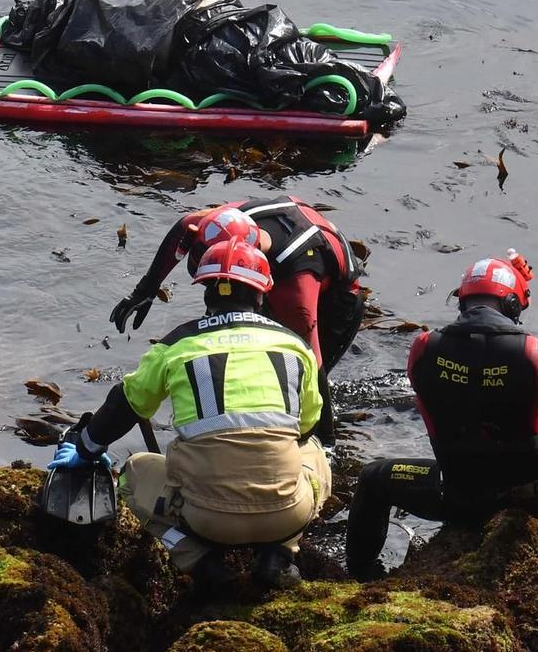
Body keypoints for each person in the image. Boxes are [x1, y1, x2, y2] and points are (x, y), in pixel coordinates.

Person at [51, 236, 329, 590]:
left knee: (134, 474)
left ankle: (199, 563)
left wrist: (86, 448)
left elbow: (125, 405)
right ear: (261, 294)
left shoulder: (176, 346)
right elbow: (307, 426)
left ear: (206, 291)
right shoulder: (295, 346)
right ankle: (280, 554)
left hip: (205, 519)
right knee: (316, 453)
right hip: (286, 514)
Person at [345, 251, 538, 580]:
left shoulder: (424, 347)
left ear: (462, 302)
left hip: (454, 495)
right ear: (513, 305)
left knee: (374, 478)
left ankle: (363, 576)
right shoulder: (533, 352)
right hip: (525, 499)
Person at [109, 198, 365, 445]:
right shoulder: (221, 223)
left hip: (336, 300)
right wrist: (145, 290)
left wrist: (327, 442)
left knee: (297, 374)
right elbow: (183, 227)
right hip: (282, 243)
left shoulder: (295, 292)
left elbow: (312, 361)